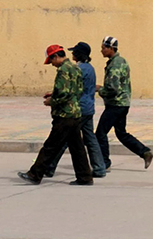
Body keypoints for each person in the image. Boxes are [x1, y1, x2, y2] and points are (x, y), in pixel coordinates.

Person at [17, 45, 93, 185]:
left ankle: (35, 174)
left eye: (51, 60)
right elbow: (76, 90)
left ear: (56, 56)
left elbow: (63, 94)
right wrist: (54, 94)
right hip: (75, 113)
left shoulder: (63, 70)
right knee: (77, 148)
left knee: (50, 146)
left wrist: (51, 101)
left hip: (64, 115)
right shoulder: (75, 68)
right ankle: (85, 177)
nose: (52, 64)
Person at [45, 42, 107, 178]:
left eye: (74, 52)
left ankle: (49, 167)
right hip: (89, 107)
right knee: (90, 139)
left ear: (79, 54)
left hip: (79, 107)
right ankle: (99, 167)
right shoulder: (90, 68)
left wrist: (54, 98)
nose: (72, 54)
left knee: (64, 139)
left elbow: (71, 89)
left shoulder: (78, 69)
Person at [96, 36, 153, 170]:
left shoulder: (115, 65)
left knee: (100, 133)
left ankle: (104, 163)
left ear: (111, 48)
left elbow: (113, 88)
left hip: (116, 104)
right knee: (121, 133)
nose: (101, 51)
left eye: (104, 48)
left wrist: (100, 89)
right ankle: (145, 152)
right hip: (123, 103)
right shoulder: (121, 61)